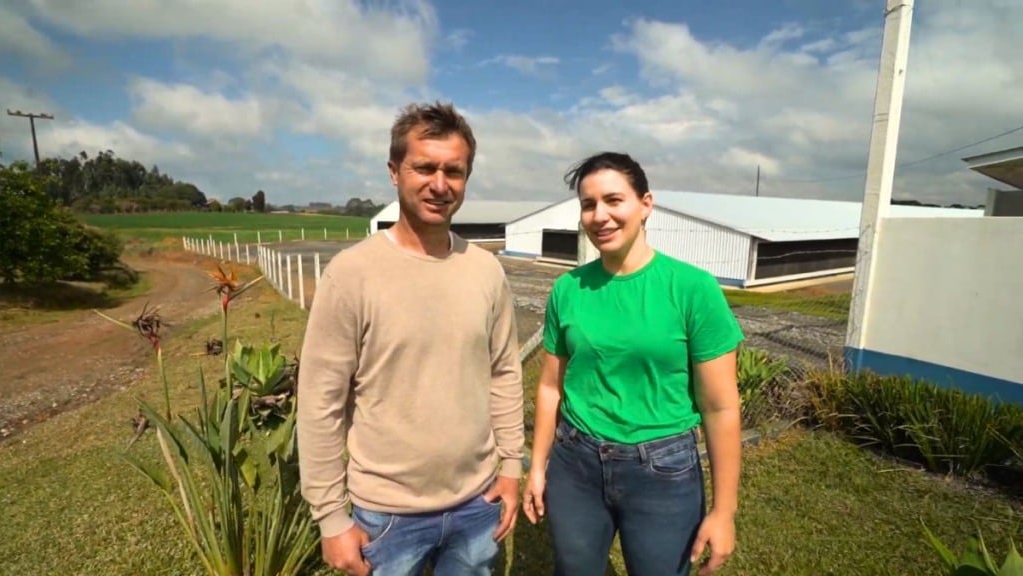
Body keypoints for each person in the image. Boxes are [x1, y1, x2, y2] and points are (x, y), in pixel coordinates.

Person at [296, 101, 525, 576]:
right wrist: (331, 518)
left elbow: (504, 372)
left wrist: (510, 467)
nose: (440, 185)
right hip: (386, 514)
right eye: (424, 168)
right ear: (394, 171)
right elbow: (320, 402)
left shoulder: (485, 271)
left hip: (476, 504)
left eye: (454, 171)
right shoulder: (352, 274)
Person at [522, 151, 745, 576]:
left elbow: (720, 408)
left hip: (663, 471)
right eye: (588, 205)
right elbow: (551, 387)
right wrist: (537, 468)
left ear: (645, 204)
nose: (599, 215)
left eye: (613, 200)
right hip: (576, 463)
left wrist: (724, 512)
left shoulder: (693, 289)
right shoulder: (568, 289)